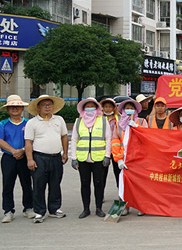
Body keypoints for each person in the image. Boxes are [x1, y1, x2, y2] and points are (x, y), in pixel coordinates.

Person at [24, 95, 68, 224]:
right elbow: (28, 142)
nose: (47, 107)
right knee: (39, 185)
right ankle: (39, 211)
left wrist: (65, 153)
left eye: (50, 104)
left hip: (56, 157)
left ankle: (54, 209)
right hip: (39, 157)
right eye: (44, 105)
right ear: (38, 107)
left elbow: (64, 136)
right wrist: (30, 159)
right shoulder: (32, 123)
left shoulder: (59, 119)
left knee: (55, 184)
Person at [69, 98, 112, 219]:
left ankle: (99, 208)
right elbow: (74, 139)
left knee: (99, 183)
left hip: (99, 158)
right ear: (83, 109)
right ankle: (86, 209)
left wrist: (107, 156)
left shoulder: (103, 121)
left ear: (97, 108)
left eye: (92, 106)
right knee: (84, 184)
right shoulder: (78, 121)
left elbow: (108, 139)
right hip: (83, 159)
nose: (90, 109)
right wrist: (74, 158)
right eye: (87, 106)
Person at [111, 97, 148, 216]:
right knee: (124, 183)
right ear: (123, 110)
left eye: (132, 108)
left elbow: (147, 137)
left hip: (138, 158)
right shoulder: (118, 124)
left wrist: (137, 128)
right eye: (127, 108)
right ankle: (124, 206)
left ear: (136, 110)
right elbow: (115, 141)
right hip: (124, 158)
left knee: (139, 183)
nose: (129, 110)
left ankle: (140, 206)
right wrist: (119, 159)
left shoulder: (141, 121)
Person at [0, 95, 34, 223]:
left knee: (27, 183)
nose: (15, 109)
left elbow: (31, 140)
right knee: (8, 184)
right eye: (12, 107)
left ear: (22, 108)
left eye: (17, 106)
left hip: (25, 157)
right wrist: (13, 151)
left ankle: (28, 208)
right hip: (8, 158)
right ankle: (8, 211)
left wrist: (23, 150)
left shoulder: (28, 123)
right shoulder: (3, 124)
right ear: (8, 109)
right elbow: (0, 140)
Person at [100, 98, 119, 191]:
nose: (108, 109)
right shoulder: (99, 119)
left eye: (110, 107)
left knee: (118, 172)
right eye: (106, 107)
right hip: (103, 149)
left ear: (114, 108)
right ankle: (101, 193)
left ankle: (121, 192)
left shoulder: (118, 118)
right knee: (102, 173)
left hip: (116, 149)